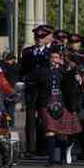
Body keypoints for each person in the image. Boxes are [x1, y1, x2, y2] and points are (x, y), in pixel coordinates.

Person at [28, 46, 82, 166]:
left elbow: (72, 87)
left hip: (62, 102)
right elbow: (29, 82)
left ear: (60, 59)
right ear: (49, 58)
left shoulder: (65, 71)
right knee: (50, 130)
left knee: (62, 133)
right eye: (52, 57)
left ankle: (62, 156)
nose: (54, 59)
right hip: (46, 103)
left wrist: (76, 78)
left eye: (56, 57)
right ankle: (51, 159)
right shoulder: (41, 71)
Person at [20, 25, 53, 156]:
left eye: (42, 37)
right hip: (31, 88)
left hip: (45, 88)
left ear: (46, 39)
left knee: (44, 118)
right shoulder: (27, 52)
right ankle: (30, 148)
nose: (39, 40)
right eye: (37, 37)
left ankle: (44, 147)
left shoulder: (50, 52)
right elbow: (22, 69)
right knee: (30, 119)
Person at [0, 53, 20, 128]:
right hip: (5, 91)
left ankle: (8, 125)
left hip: (8, 91)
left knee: (8, 111)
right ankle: (6, 125)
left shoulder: (15, 67)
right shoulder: (3, 65)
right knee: (6, 110)